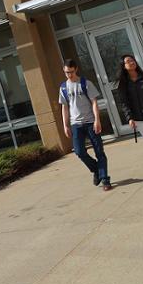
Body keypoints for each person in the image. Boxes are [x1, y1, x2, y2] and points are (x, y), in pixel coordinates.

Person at [59, 59, 111, 191]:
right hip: (76, 125)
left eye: (71, 72)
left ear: (76, 69)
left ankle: (105, 179)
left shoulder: (86, 83)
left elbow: (94, 102)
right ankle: (96, 169)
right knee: (79, 151)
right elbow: (64, 108)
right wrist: (65, 125)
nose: (69, 75)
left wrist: (97, 120)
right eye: (66, 72)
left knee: (99, 151)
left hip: (90, 123)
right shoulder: (63, 87)